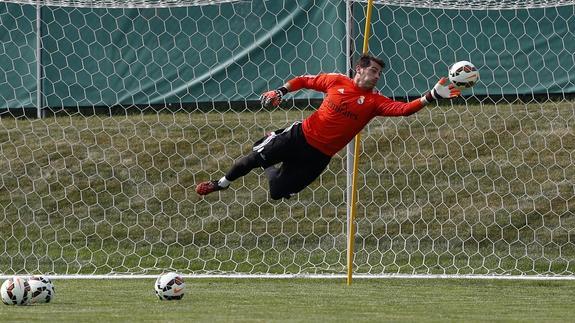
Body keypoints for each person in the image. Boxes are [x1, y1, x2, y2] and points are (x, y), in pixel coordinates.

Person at [196, 54, 460, 200]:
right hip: (299, 136)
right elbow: (302, 80)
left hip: (318, 157)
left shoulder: (375, 102)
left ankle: (269, 157)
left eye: (379, 73)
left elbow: (404, 110)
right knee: (248, 161)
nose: (377, 76)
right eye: (374, 71)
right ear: (360, 69)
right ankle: (220, 184)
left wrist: (431, 96)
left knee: (277, 192)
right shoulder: (336, 81)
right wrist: (281, 91)